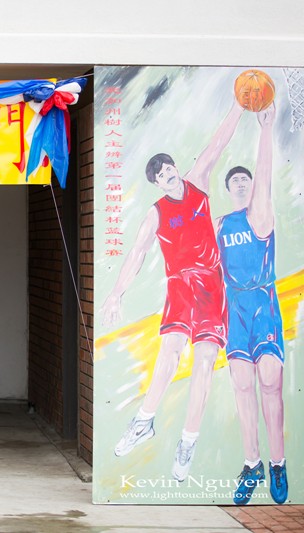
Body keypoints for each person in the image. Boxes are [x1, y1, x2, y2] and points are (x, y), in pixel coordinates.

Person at [101, 101, 245, 481]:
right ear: (158, 184)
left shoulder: (198, 182)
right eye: (161, 176)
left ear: (176, 168)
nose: (168, 176)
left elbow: (217, 143)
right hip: (180, 285)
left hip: (210, 284)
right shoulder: (156, 213)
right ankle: (144, 421)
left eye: (169, 169)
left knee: (205, 361)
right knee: (170, 352)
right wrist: (116, 293)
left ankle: (188, 441)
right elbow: (136, 253)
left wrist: (237, 105)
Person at [215, 105, 287, 505]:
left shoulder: (260, 214)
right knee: (242, 386)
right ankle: (252, 463)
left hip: (263, 304)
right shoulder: (222, 224)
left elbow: (265, 175)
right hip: (234, 309)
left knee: (270, 383)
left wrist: (265, 129)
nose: (242, 182)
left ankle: (278, 463)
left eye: (246, 178)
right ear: (229, 189)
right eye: (235, 180)